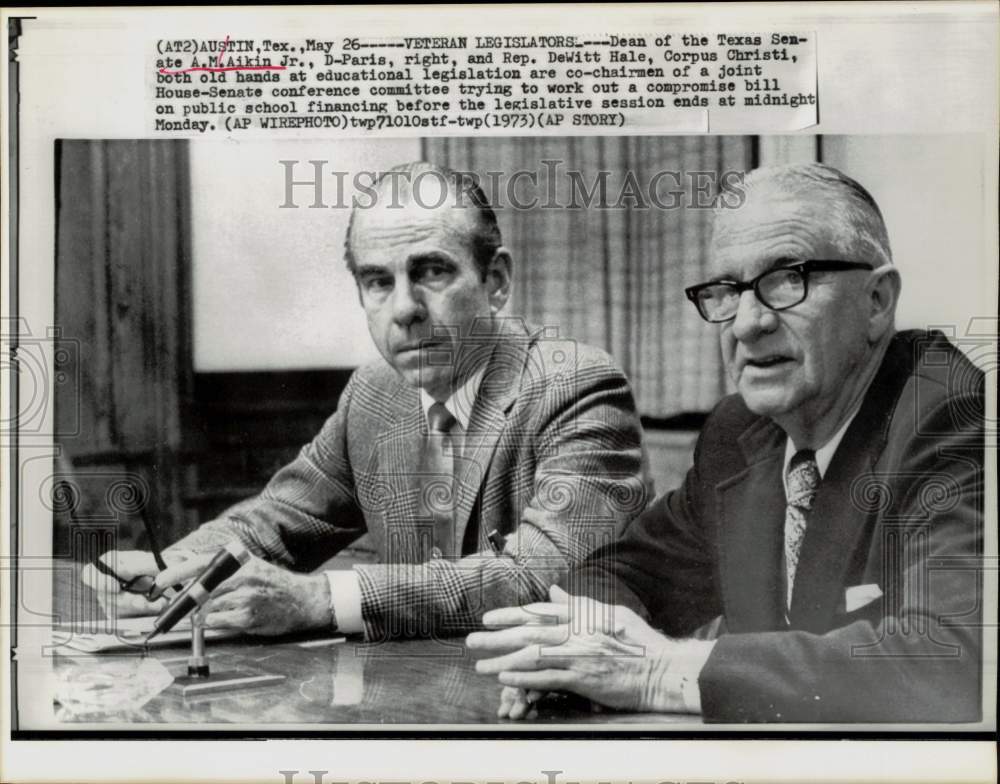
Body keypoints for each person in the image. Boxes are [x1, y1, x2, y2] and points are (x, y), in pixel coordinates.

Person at [468, 163, 985, 723]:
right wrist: (569, 653)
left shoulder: (952, 416)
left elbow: (949, 662)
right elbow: (627, 572)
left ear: (878, 300)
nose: (745, 323)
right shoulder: (740, 432)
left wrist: (659, 670)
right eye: (725, 290)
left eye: (788, 279)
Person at [83, 162, 650, 641]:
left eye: (431, 271)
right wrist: (169, 572)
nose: (404, 308)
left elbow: (543, 578)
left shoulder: (576, 385)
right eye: (379, 281)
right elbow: (276, 523)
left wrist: (321, 599)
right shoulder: (374, 394)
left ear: (496, 280)